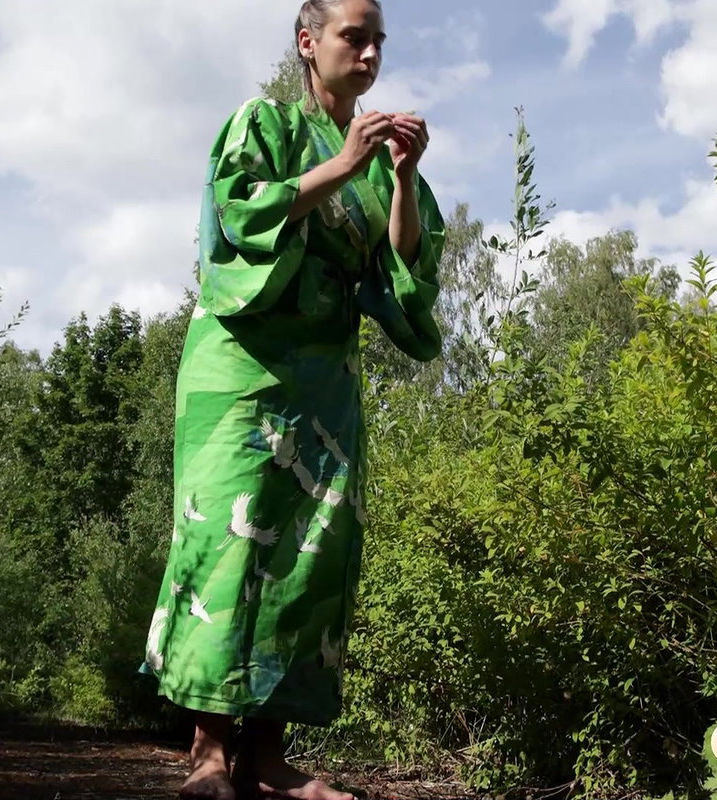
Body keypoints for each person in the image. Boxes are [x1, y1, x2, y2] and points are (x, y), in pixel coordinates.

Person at [138, 0, 445, 798]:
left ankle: (266, 759)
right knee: (227, 537)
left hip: (324, 382)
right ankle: (207, 751)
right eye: (355, 35)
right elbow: (238, 213)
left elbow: (405, 269)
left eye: (379, 40)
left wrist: (402, 177)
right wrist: (342, 164)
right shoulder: (264, 121)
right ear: (309, 42)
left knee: (311, 547)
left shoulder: (381, 156)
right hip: (239, 371)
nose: (370, 52)